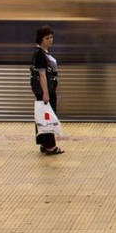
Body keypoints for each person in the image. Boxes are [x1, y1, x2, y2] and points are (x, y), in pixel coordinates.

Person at [31, 25, 64, 155]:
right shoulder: (40, 54)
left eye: (51, 37)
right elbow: (42, 75)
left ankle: (44, 144)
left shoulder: (43, 52)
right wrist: (46, 94)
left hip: (47, 91)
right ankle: (50, 147)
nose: (50, 40)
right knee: (49, 117)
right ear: (40, 39)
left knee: (43, 117)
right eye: (47, 38)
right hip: (46, 92)